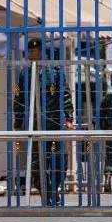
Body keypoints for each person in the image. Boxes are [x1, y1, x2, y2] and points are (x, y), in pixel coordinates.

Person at [12, 37, 73, 205]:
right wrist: (17, 123)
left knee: (60, 161)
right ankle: (48, 195)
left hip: (53, 123)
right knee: (36, 164)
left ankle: (53, 191)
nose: (30, 54)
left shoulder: (54, 71)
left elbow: (65, 94)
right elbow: (19, 97)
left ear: (40, 52)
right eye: (29, 52)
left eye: (33, 51)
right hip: (34, 124)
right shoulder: (25, 74)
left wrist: (68, 118)